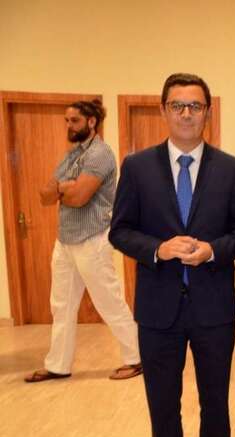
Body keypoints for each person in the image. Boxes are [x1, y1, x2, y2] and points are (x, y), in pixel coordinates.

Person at [109, 73, 235, 437]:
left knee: (215, 400)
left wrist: (213, 251)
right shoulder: (137, 166)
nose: (187, 114)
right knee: (162, 402)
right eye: (178, 105)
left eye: (195, 106)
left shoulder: (231, 168)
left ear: (207, 112)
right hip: (158, 310)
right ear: (164, 110)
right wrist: (158, 248)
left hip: (213, 307)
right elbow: (120, 231)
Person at [25, 99, 141, 383]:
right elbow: (44, 196)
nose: (69, 125)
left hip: (93, 239)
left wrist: (64, 189)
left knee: (109, 301)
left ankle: (137, 358)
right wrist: (63, 188)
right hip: (65, 242)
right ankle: (58, 365)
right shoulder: (71, 155)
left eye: (74, 120)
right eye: (67, 120)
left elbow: (79, 197)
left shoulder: (100, 154)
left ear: (91, 121)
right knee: (61, 306)